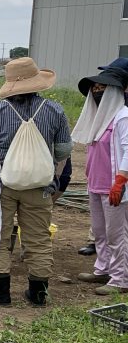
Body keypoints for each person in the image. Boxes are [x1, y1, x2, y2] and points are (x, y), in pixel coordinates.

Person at [0, 57, 72, 306]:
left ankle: (1, 292)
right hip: (39, 185)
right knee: (38, 239)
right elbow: (63, 151)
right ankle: (38, 293)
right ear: (37, 83)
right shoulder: (55, 110)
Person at [72, 65, 128, 295]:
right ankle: (103, 268)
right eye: (95, 87)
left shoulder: (123, 117)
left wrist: (121, 180)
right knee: (100, 231)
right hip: (96, 184)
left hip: (115, 187)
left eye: (102, 87)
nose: (97, 90)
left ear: (114, 91)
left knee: (117, 234)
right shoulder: (98, 118)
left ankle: (120, 278)